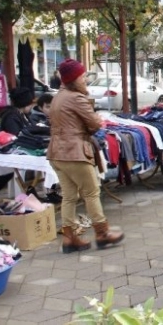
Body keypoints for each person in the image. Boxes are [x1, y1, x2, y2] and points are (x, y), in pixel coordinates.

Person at [48, 59, 124, 253]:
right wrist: (97, 120)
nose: (85, 79)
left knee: (69, 196)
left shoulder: (58, 97)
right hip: (74, 152)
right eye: (82, 76)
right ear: (73, 78)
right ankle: (102, 233)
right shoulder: (76, 98)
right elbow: (95, 124)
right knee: (91, 192)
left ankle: (69, 237)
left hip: (57, 152)